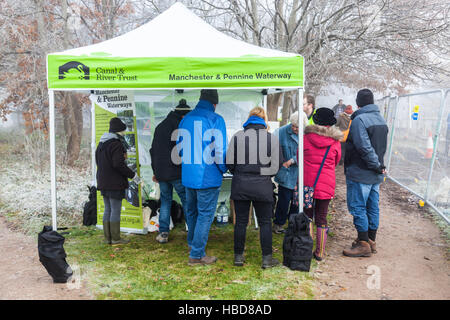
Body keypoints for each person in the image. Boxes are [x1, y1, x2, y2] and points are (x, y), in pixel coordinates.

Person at [226, 107, 284, 269]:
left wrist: (241, 172)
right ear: (264, 119)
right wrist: (263, 174)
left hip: (240, 185)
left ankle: (238, 257)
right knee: (265, 222)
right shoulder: (271, 138)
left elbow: (229, 163)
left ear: (249, 119)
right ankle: (267, 259)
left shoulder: (238, 137)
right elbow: (277, 165)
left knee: (241, 223)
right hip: (263, 186)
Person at [178, 89, 227, 266]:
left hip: (188, 175)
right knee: (205, 215)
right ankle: (197, 255)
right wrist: (223, 169)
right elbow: (220, 151)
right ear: (215, 103)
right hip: (208, 176)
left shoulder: (185, 119)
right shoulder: (216, 119)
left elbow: (180, 148)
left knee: (192, 211)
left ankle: (193, 244)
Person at [343, 89, 388, 258]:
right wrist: (379, 166)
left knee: (358, 206)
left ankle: (363, 244)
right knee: (372, 206)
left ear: (358, 103)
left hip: (361, 171)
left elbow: (363, 147)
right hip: (375, 173)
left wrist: (375, 165)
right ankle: (371, 241)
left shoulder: (359, 119)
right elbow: (381, 148)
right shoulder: (381, 119)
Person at [303, 108, 343, 261]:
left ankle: (305, 247)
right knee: (322, 217)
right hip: (325, 183)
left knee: (307, 215)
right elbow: (336, 161)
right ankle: (319, 252)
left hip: (308, 183)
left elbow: (300, 158)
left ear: (316, 121)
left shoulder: (306, 138)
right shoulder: (335, 142)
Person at [150, 99, 191, 244]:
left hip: (161, 173)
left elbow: (153, 151)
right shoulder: (181, 127)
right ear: (183, 116)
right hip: (177, 172)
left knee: (165, 201)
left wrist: (155, 170)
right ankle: (191, 231)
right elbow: (184, 151)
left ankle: (163, 233)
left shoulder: (160, 126)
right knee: (187, 200)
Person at [96, 117, 140, 245]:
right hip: (114, 183)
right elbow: (118, 164)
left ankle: (107, 238)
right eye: (123, 131)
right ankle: (116, 238)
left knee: (108, 209)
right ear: (119, 131)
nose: (124, 133)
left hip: (103, 181)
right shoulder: (116, 144)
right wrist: (133, 176)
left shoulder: (102, 143)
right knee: (115, 209)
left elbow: (98, 161)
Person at [272, 111, 300, 234]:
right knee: (284, 199)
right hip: (286, 172)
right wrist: (281, 163)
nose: (294, 128)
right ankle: (278, 223)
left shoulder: (307, 133)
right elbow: (272, 148)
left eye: (297, 127)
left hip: (300, 172)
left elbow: (307, 152)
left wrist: (292, 160)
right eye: (293, 125)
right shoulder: (281, 132)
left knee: (296, 201)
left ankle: (293, 224)